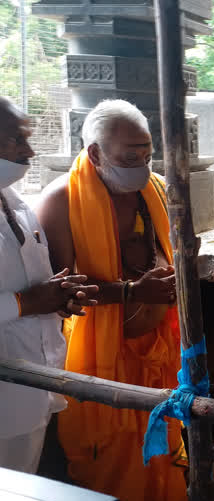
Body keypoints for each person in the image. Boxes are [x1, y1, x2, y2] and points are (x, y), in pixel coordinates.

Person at [35, 99, 186, 501]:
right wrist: (135, 293)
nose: (141, 162)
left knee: (162, 449)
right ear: (96, 153)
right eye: (129, 155)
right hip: (98, 359)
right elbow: (64, 293)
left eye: (147, 152)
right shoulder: (61, 200)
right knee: (111, 461)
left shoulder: (150, 190)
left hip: (157, 351)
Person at [0, 97, 96, 474]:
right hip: (6, 385)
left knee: (22, 488)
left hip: (35, 379)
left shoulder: (16, 203)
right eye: (15, 140)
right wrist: (25, 303)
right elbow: (24, 297)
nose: (29, 151)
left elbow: (30, 283)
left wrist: (57, 295)